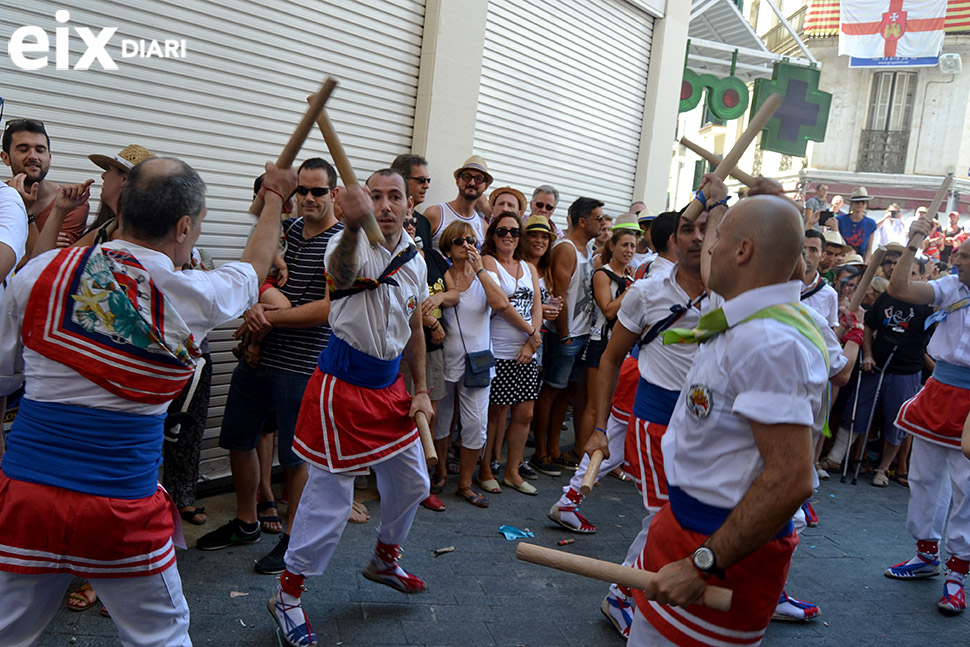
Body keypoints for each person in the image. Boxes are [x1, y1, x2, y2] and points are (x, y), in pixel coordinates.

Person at [0, 157, 296, 646]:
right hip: (120, 508)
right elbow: (253, 267)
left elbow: (7, 372)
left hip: (29, 499)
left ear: (121, 211)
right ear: (184, 227)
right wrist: (274, 203)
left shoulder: (39, 274)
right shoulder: (187, 293)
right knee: (160, 637)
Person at [628, 183, 829, 646]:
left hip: (719, 555)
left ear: (742, 251)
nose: (707, 247)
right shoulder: (744, 320)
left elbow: (791, 478)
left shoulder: (769, 341)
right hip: (685, 531)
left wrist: (704, 563)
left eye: (717, 238)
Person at [268, 169, 434, 647]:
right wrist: (357, 226)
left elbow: (415, 329)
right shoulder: (345, 242)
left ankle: (384, 559)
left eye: (394, 197)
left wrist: (420, 387)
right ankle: (288, 596)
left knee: (412, 482)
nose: (384, 204)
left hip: (389, 390)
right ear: (358, 203)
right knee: (329, 504)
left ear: (409, 206)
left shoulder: (415, 260)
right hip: (339, 387)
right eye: (375, 196)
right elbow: (341, 275)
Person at [199, 158, 345, 579]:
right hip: (257, 356)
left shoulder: (342, 244)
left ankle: (294, 537)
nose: (309, 198)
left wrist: (268, 317)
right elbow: (252, 274)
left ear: (334, 194)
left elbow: (332, 308)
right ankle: (247, 522)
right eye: (302, 190)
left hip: (302, 364)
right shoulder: (288, 231)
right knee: (238, 439)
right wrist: (259, 303)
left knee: (295, 457)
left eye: (318, 191)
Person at [884, 222, 970, 616]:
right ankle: (925, 555)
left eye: (967, 257)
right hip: (939, 392)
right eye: (960, 254)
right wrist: (914, 243)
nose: (958, 259)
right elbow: (898, 290)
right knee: (923, 477)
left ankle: (957, 576)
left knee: (966, 489)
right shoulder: (949, 288)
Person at [391, 153, 451, 512]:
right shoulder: (380, 226)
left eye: (428, 181)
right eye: (420, 180)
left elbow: (429, 276)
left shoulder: (425, 223)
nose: (427, 186)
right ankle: (392, 482)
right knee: (397, 412)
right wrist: (426, 318)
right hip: (399, 336)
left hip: (429, 338)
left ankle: (419, 483)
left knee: (428, 406)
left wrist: (437, 307)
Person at [531, 197, 604, 476]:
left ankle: (554, 449)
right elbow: (557, 295)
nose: (602, 223)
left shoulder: (588, 249)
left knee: (566, 394)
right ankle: (540, 452)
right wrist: (563, 335)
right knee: (550, 391)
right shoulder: (566, 248)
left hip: (582, 334)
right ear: (583, 221)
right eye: (598, 218)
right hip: (567, 335)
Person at [480, 212, 543, 495]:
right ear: (493, 235)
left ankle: (512, 471)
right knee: (495, 414)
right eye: (502, 231)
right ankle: (484, 470)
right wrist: (532, 333)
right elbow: (502, 305)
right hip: (500, 350)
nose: (508, 236)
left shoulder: (529, 267)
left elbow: (536, 306)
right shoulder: (488, 262)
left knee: (525, 414)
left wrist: (532, 342)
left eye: (515, 232)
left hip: (527, 352)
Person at [575, 223, 637, 468]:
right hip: (600, 344)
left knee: (611, 405)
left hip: (621, 347)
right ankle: (582, 460)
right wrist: (630, 292)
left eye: (633, 246)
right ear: (612, 246)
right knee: (595, 404)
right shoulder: (603, 274)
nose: (629, 250)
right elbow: (608, 310)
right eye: (624, 244)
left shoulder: (629, 277)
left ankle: (601, 460)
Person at [2, 118, 88, 247]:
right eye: (23, 149)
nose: (33, 156)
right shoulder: (2, 197)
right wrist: (44, 242)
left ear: (49, 157)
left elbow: (48, 262)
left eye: (40, 150)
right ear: (6, 158)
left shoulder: (70, 202)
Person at [424, 156, 491, 248]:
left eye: (478, 179)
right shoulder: (435, 214)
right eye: (467, 177)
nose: (472, 183)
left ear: (485, 186)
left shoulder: (483, 227)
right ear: (458, 180)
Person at [802, 230, 840, 327]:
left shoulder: (830, 294)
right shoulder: (781, 285)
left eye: (813, 250)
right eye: (803, 248)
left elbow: (831, 330)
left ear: (823, 256)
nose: (806, 254)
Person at [836, 187, 878, 261]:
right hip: (841, 259)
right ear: (852, 203)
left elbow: (869, 248)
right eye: (857, 202)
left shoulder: (871, 223)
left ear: (866, 204)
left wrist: (865, 264)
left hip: (860, 260)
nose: (860, 204)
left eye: (863, 202)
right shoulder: (840, 220)